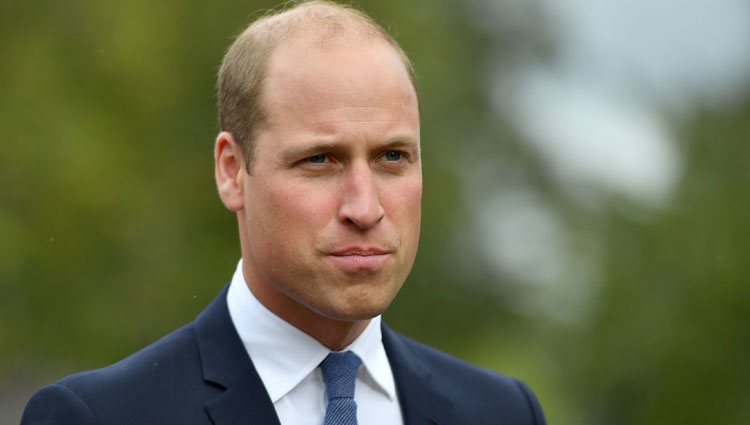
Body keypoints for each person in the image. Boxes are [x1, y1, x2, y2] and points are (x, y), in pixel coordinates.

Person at [21, 1, 547, 424]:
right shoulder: (99, 416)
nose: (365, 208)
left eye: (393, 157)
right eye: (320, 160)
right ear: (232, 171)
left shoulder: (503, 411)